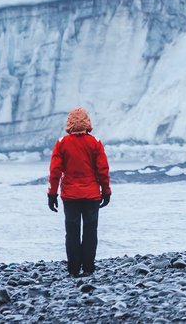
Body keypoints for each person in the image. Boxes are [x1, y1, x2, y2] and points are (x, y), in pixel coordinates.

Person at [47, 106, 112, 277]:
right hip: (91, 195)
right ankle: (88, 268)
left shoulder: (62, 143)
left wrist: (52, 194)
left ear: (69, 123)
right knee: (91, 231)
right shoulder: (95, 142)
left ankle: (74, 269)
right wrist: (106, 191)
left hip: (70, 196)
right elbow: (103, 170)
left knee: (72, 231)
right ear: (87, 122)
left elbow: (55, 171)